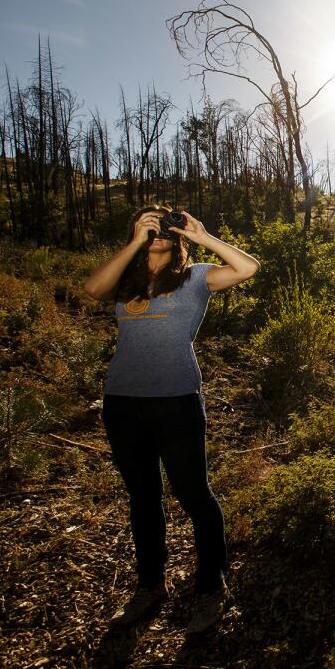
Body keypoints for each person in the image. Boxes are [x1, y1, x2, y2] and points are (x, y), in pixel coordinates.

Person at [83, 205, 260, 634]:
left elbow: (247, 267)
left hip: (176, 401)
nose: (157, 229)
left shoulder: (195, 276)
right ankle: (150, 585)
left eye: (164, 224)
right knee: (142, 497)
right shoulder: (126, 280)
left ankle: (210, 586)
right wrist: (135, 243)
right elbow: (92, 288)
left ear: (177, 235)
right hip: (122, 404)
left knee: (194, 494)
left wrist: (202, 236)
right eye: (147, 222)